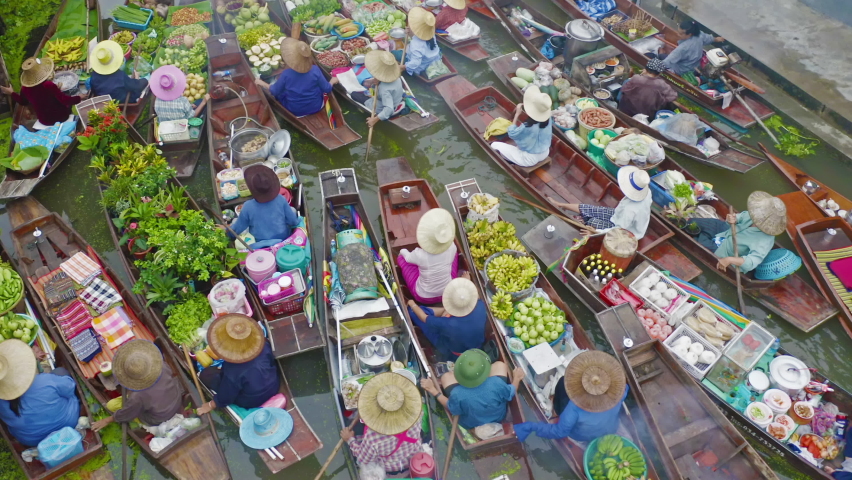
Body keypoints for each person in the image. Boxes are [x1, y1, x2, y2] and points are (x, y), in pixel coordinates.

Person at [514, 351, 628, 443]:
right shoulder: (622, 390)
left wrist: (531, 427)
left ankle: (555, 411)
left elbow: (560, 432)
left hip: (582, 436)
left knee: (562, 382)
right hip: (610, 427)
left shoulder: (574, 408)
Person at [0, 339, 79, 447]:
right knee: (60, 372)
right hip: (67, 423)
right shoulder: (44, 380)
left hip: (32, 440)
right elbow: (70, 387)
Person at [340, 372, 423, 474]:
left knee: (357, 441)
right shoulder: (417, 411)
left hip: (391, 465)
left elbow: (362, 460)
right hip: (412, 454)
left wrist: (350, 440)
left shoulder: (373, 437)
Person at [91, 340, 183, 432]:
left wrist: (107, 420)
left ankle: (140, 424)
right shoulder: (161, 365)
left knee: (111, 405)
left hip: (159, 417)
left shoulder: (137, 396)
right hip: (176, 399)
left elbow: (127, 413)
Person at [421, 348, 524, 430]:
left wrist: (433, 390)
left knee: (446, 377)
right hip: (498, 417)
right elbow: (510, 393)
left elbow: (451, 407)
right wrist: (517, 378)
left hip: (470, 423)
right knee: (500, 365)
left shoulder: (457, 394)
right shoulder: (497, 383)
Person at [197, 314, 280, 414]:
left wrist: (210, 405)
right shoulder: (263, 344)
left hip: (252, 400)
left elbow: (226, 396)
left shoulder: (233, 370)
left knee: (206, 374)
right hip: (273, 385)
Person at [689, 190, 785, 274]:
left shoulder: (765, 240)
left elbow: (751, 262)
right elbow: (741, 216)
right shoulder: (755, 214)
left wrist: (729, 260)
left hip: (725, 251)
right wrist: (733, 218)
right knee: (693, 223)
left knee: (697, 238)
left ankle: (696, 235)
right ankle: (687, 223)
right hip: (726, 231)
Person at [547, 166, 653, 239]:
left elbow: (618, 230)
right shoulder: (646, 191)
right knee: (590, 209)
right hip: (617, 215)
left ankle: (582, 220)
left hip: (627, 231)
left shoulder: (630, 210)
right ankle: (560, 205)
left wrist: (594, 233)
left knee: (592, 221)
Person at [407, 277, 486, 360]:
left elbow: (423, 317)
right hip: (476, 346)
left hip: (453, 353)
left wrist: (412, 304)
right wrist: (467, 284)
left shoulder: (448, 323)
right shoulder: (481, 305)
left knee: (413, 312)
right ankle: (442, 312)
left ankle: (439, 313)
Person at [255, 38, 338, 117]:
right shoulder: (315, 70)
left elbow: (275, 91)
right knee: (318, 88)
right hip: (316, 106)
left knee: (280, 93)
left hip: (295, 110)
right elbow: (327, 89)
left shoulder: (286, 74)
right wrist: (332, 81)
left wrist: (261, 83)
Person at [227, 165, 300, 249]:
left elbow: (237, 229)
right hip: (282, 238)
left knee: (235, 220)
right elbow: (293, 222)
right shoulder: (281, 199)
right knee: (293, 210)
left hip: (260, 242)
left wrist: (228, 234)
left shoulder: (248, 206)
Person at [397, 208, 459, 304]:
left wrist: (402, 250)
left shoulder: (420, 254)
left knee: (402, 258)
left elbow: (407, 257)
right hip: (447, 292)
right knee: (454, 256)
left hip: (424, 296)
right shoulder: (452, 247)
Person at [0, 57, 81, 127]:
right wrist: (79, 98)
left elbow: (22, 101)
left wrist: (11, 93)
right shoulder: (48, 85)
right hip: (61, 117)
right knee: (71, 99)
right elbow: (64, 100)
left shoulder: (25, 88)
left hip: (44, 120)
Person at [491, 85, 553, 168]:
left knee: (494, 145)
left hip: (530, 159)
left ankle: (511, 160)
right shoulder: (548, 119)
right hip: (545, 152)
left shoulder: (528, 126)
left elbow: (512, 133)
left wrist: (517, 114)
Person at [354, 50, 405, 128]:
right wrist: (375, 81)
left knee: (354, 94)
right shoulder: (395, 76)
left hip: (385, 106)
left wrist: (374, 120)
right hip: (396, 99)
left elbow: (389, 108)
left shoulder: (384, 89)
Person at [659, 20, 724, 76]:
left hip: (682, 70)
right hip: (696, 65)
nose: (677, 34)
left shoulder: (683, 48)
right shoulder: (699, 35)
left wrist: (653, 69)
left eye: (680, 34)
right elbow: (710, 39)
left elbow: (667, 62)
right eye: (678, 32)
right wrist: (718, 39)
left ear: (689, 34)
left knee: (661, 55)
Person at [403, 7, 442, 77]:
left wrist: (403, 67)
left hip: (422, 65)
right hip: (433, 57)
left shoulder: (415, 44)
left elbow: (415, 63)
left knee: (396, 53)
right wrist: (409, 33)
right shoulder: (430, 33)